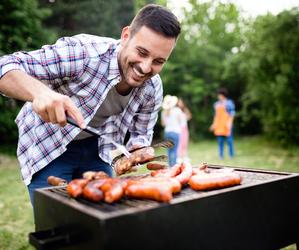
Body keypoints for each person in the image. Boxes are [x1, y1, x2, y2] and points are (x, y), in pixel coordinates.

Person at [0, 4, 181, 205]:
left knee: (104, 216)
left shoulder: (153, 88)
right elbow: (4, 66)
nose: (146, 67)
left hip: (98, 151)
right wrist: (40, 93)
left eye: (158, 61)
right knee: (56, 223)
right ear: (126, 36)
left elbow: (140, 134)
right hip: (50, 146)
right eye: (141, 52)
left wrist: (138, 150)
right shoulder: (84, 53)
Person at [209, 87, 235, 159]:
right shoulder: (216, 104)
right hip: (219, 125)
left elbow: (232, 114)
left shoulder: (229, 103)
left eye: (219, 95)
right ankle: (221, 155)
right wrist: (213, 124)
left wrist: (229, 123)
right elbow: (216, 115)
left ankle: (231, 155)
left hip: (226, 125)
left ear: (223, 95)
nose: (218, 96)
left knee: (229, 141)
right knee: (220, 141)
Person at [161, 95, 185, 167]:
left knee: (169, 150)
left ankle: (169, 165)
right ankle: (174, 166)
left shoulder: (163, 112)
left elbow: (163, 124)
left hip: (167, 132)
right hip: (175, 132)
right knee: (174, 150)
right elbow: (182, 121)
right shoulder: (177, 110)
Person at [176, 98, 192, 163]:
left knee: (185, 142)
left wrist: (186, 117)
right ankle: (179, 157)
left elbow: (189, 116)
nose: (180, 104)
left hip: (185, 128)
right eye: (179, 102)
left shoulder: (185, 110)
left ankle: (185, 157)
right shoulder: (176, 110)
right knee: (179, 143)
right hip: (178, 128)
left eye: (181, 102)